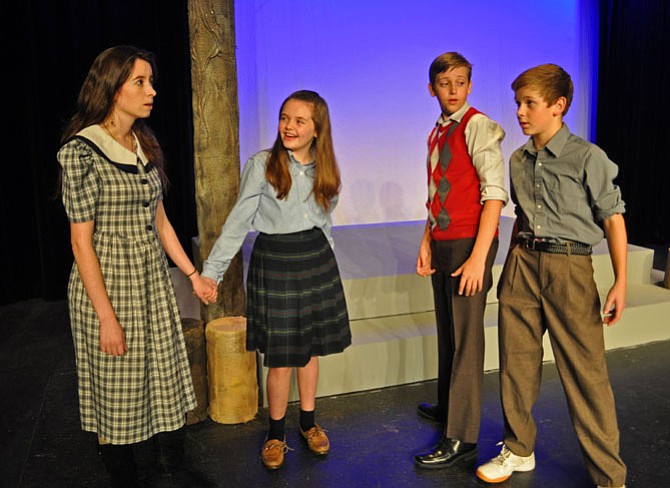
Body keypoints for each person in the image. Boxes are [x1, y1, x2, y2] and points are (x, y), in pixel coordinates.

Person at [57, 45, 217, 487]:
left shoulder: (140, 143)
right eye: (140, 82)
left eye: (151, 81)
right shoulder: (83, 151)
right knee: (118, 380)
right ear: (112, 89)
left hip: (148, 278)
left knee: (164, 368)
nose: (152, 91)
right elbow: (80, 241)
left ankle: (170, 465)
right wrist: (106, 318)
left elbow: (160, 220)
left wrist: (192, 275)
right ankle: (124, 476)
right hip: (108, 280)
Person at [476, 64, 627, 488]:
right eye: (518, 103)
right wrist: (509, 272)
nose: (520, 112)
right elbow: (523, 215)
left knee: (586, 374)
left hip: (570, 268)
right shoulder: (518, 160)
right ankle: (519, 449)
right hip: (523, 264)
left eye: (530, 103)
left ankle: (609, 476)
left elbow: (613, 218)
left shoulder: (586, 156)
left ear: (558, 106)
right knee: (516, 365)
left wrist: (619, 280)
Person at [201, 90, 351, 470]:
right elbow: (238, 222)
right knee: (282, 357)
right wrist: (211, 271)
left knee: (310, 349)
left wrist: (329, 257)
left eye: (300, 120)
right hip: (277, 262)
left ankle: (309, 423)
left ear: (317, 129)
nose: (289, 126)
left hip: (314, 260)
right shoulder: (262, 164)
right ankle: (276, 434)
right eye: (285, 117)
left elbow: (325, 217)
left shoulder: (326, 168)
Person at [413, 52, 508, 469]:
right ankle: (450, 405)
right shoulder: (437, 131)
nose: (453, 90)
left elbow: (494, 194)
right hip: (444, 238)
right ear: (431, 87)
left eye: (461, 82)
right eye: (445, 83)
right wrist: (426, 239)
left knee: (468, 338)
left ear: (470, 86)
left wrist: (478, 258)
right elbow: (437, 192)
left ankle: (462, 434)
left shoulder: (478, 125)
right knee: (448, 329)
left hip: (471, 242)